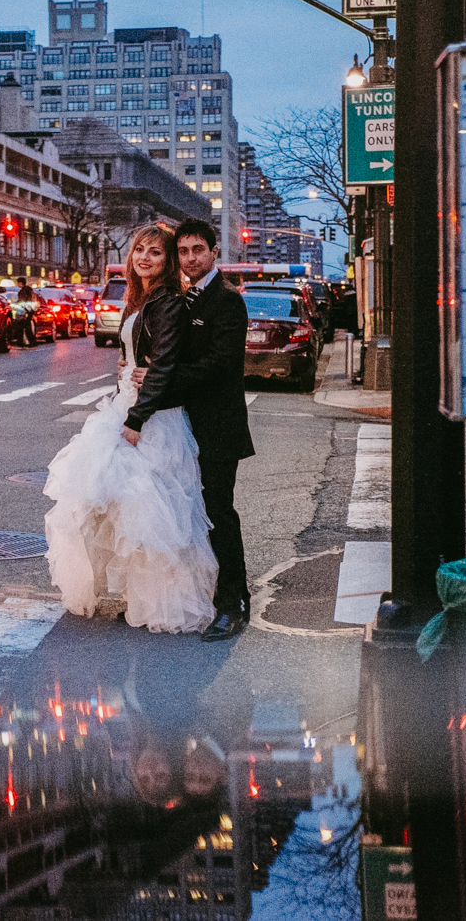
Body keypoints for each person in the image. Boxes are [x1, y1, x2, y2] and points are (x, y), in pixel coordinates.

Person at [42, 222, 218, 634]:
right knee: (120, 508)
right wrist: (127, 364)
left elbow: (166, 364)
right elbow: (142, 354)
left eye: (156, 253)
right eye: (140, 249)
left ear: (168, 260)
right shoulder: (142, 299)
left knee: (153, 514)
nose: (144, 257)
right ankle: (134, 594)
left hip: (151, 418)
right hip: (129, 405)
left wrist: (137, 419)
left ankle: (163, 602)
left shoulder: (168, 302)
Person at [132, 219, 255, 642]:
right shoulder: (184, 297)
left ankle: (233, 605)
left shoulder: (227, 301)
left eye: (197, 250)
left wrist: (158, 378)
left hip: (219, 426)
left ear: (214, 251)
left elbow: (220, 366)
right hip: (184, 425)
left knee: (219, 513)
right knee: (192, 513)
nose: (190, 259)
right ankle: (210, 593)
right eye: (183, 252)